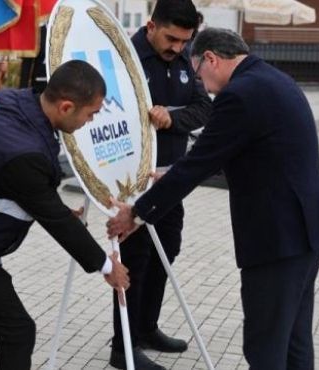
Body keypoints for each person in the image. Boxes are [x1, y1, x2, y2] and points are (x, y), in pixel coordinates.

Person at [107, 28, 319, 369]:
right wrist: (172, 173)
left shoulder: (239, 95)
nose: (201, 83)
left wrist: (137, 213)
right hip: (308, 232)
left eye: (198, 72)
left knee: (265, 346)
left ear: (210, 59)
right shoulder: (272, 79)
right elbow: (250, 153)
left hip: (279, 241)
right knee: (293, 340)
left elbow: (201, 160)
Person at [0, 60, 130, 370]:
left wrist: (40, 200)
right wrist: (106, 265)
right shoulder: (24, 153)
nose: (90, 121)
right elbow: (54, 218)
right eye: (90, 114)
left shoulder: (1, 100)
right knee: (17, 333)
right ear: (67, 106)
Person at [109, 0, 211, 369]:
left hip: (170, 179)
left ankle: (146, 328)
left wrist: (173, 117)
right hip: (132, 182)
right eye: (171, 39)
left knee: (166, 253)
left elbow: (203, 109)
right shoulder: (125, 58)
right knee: (134, 260)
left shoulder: (183, 60)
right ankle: (123, 347)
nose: (178, 48)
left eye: (185, 42)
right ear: (151, 26)